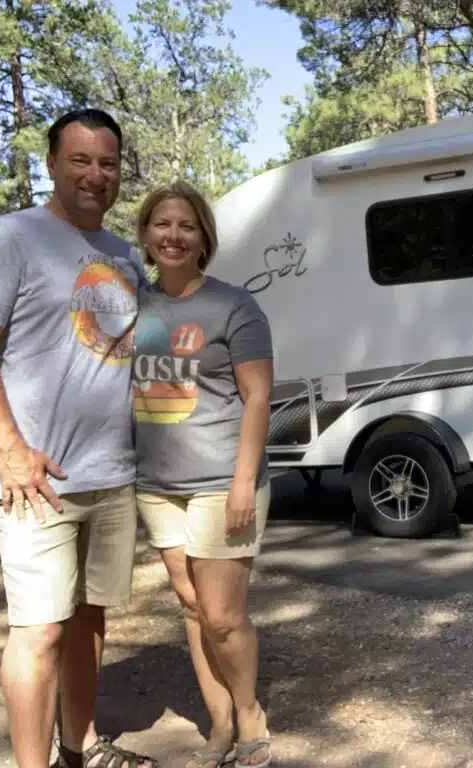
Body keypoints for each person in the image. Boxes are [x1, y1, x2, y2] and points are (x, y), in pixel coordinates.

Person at [0, 109, 157, 768]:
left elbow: (133, 360)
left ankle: (82, 746)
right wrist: (9, 450)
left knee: (89, 618)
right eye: (81, 160)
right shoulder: (10, 237)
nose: (96, 175)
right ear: (52, 164)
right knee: (38, 630)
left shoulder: (126, 257)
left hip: (111, 473)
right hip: (35, 476)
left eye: (107, 162)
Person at [131, 181, 274, 768]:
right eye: (162, 225)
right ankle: (217, 723)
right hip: (156, 485)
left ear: (203, 238)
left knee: (222, 615)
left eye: (186, 226)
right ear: (144, 235)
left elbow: (259, 396)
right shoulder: (131, 306)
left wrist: (244, 482)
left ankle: (250, 715)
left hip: (223, 480)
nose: (173, 235)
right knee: (191, 607)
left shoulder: (235, 306)